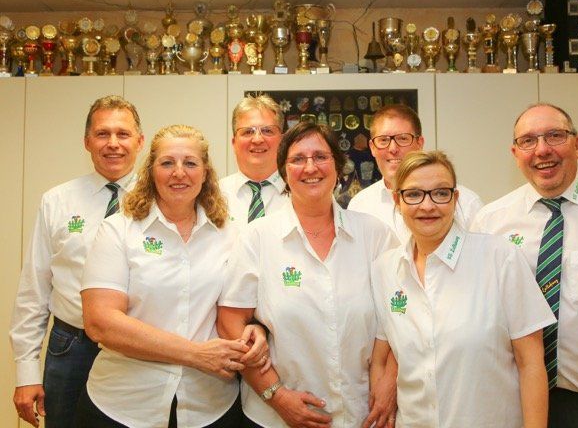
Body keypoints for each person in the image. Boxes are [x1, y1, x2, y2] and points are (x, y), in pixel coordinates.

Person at [76, 125, 269, 427]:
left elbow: (241, 307)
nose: (179, 173)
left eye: (190, 163)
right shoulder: (118, 230)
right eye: (167, 163)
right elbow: (100, 322)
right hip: (124, 405)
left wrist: (255, 329)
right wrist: (195, 354)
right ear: (151, 171)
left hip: (210, 406)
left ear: (205, 172)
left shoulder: (231, 234)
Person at [217, 122, 399, 428]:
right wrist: (276, 395)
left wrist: (390, 382)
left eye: (321, 157)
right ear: (284, 172)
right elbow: (229, 322)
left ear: (338, 167)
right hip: (276, 417)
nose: (310, 167)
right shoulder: (257, 237)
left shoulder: (375, 235)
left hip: (363, 413)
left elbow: (402, 317)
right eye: (298, 159)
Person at [471, 103, 578, 427]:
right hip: (514, 405)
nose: (542, 150)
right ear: (515, 153)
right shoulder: (490, 223)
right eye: (528, 141)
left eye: (555, 136)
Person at [370, 150, 555, 427]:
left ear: (455, 199)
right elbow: (384, 358)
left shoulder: (499, 258)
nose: (427, 205)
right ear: (398, 201)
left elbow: (530, 363)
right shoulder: (385, 269)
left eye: (440, 193)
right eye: (414, 194)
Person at [9, 95, 145, 427]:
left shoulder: (163, 201)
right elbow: (35, 288)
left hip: (140, 347)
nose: (113, 144)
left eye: (123, 134)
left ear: (140, 141)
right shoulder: (57, 201)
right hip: (72, 347)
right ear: (87, 142)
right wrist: (26, 371)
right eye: (102, 134)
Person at [348, 104, 483, 242]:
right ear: (372, 147)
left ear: (419, 143)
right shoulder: (360, 206)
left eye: (403, 138)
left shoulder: (467, 204)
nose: (393, 149)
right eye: (383, 140)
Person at [219, 94, 289, 225]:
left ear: (282, 141)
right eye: (248, 132)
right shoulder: (214, 195)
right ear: (234, 143)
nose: (257, 139)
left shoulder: (301, 194)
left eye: (267, 131)